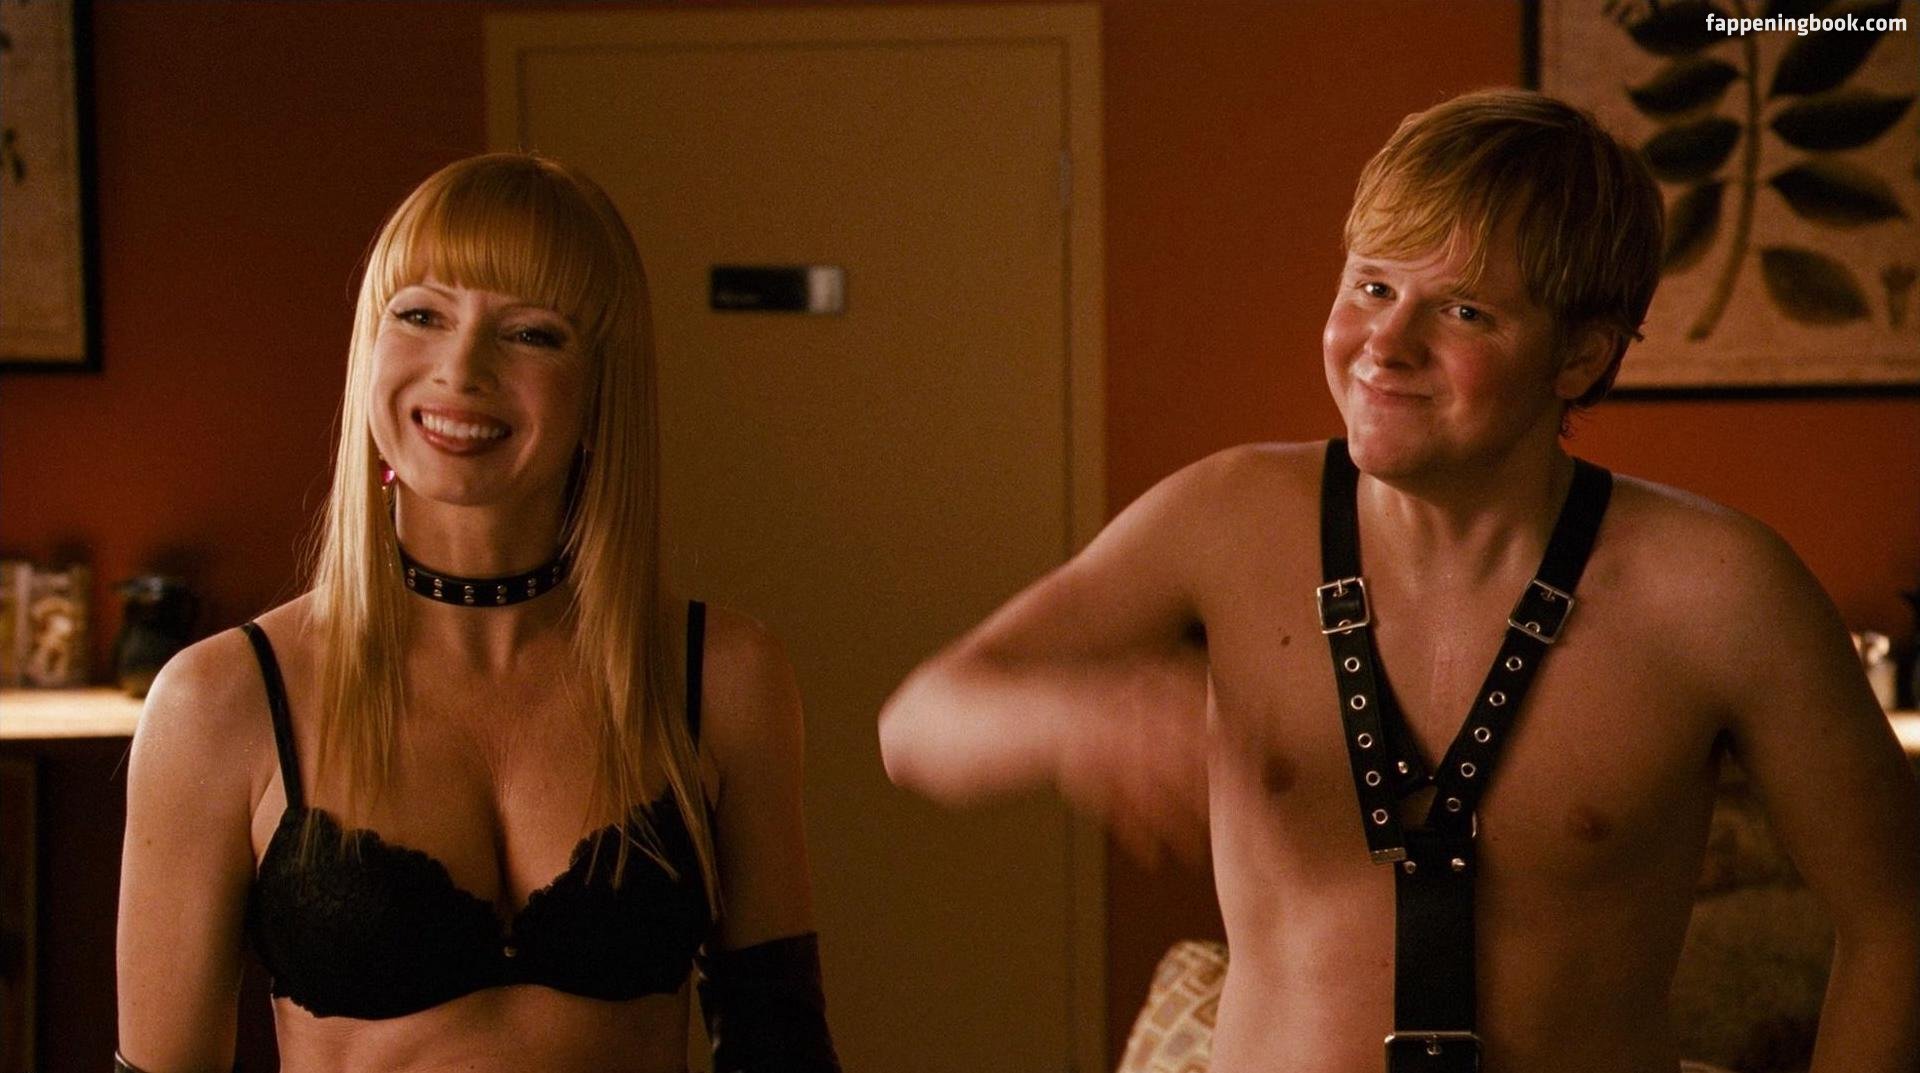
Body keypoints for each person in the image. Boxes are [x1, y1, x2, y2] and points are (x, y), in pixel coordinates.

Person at [879, 89, 1920, 1073]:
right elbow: (921, 717)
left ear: (1579, 356)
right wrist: (1060, 718)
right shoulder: (1222, 515)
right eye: (1373, 286)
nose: (1384, 344)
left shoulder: (1725, 588)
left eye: (1462, 310)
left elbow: (1894, 916)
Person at [117, 154, 840, 1073]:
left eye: (531, 333)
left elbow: (783, 1050)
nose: (460, 370)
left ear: (601, 389)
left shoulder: (722, 676)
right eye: (420, 315)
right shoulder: (221, 700)